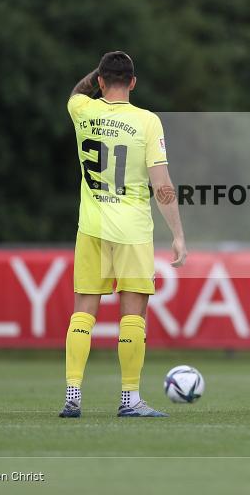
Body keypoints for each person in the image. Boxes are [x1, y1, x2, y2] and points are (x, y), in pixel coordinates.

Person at [60, 51, 186, 418]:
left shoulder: (82, 110)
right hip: (132, 229)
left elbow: (76, 92)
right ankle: (130, 398)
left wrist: (99, 71)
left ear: (100, 81)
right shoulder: (147, 121)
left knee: (83, 311)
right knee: (133, 315)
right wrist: (178, 233)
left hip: (91, 227)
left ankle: (72, 394)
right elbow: (161, 184)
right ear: (133, 82)